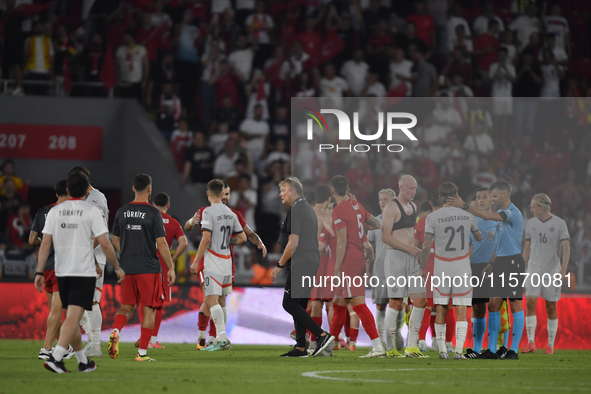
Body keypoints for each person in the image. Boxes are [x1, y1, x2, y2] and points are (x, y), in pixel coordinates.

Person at [35, 172, 123, 373]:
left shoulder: (55, 211)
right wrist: (116, 266)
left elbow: (45, 243)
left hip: (61, 269)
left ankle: (83, 361)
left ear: (67, 190)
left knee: (71, 315)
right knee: (75, 314)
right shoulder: (91, 211)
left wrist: (39, 271)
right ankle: (56, 357)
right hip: (82, 270)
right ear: (86, 191)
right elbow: (104, 243)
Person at [448, 180, 525, 360]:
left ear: (504, 195)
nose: (493, 199)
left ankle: (513, 350)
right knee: (492, 305)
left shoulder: (513, 213)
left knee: (514, 304)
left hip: (513, 262)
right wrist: (491, 264)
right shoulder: (499, 213)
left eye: (495, 196)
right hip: (499, 263)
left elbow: (488, 217)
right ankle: (490, 350)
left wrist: (465, 206)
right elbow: (498, 243)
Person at [186, 183, 267, 348]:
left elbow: (249, 234)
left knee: (216, 300)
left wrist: (259, 242)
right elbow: (188, 227)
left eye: (228, 194)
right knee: (211, 299)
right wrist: (191, 221)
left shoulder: (230, 213)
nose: (225, 197)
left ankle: (214, 338)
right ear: (218, 194)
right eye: (223, 193)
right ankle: (206, 338)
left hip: (218, 260)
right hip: (212, 262)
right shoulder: (205, 211)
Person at [108, 174, 175, 362]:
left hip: (128, 268)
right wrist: (171, 268)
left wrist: (127, 252)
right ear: (150, 189)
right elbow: (161, 243)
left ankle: (115, 330)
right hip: (149, 268)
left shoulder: (122, 211)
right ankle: (142, 354)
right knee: (149, 309)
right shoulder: (154, 213)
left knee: (126, 307)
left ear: (133, 188)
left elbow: (114, 239)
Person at [270, 178, 334, 357]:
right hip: (311, 260)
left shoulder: (297, 209)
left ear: (294, 191)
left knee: (289, 302)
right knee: (299, 303)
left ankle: (321, 335)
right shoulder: (306, 208)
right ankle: (300, 346)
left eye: (283, 190)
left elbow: (294, 242)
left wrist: (278, 265)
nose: (280, 194)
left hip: (302, 261)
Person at [420, 182, 481, 360]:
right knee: (461, 308)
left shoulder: (433, 217)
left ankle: (442, 351)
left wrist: (422, 268)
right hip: (461, 265)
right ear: (457, 195)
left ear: (440, 197)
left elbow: (426, 245)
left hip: (441, 266)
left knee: (441, 307)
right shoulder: (467, 215)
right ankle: (459, 351)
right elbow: (478, 237)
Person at [326, 175, 384, 358]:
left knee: (358, 305)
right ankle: (328, 346)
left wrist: (336, 269)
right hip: (358, 258)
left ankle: (377, 346)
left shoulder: (339, 210)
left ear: (332, 191)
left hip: (348, 262)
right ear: (348, 189)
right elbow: (376, 224)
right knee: (339, 303)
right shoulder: (357, 206)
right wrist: (358, 224)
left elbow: (341, 240)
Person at [188, 180, 245, 351]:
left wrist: (196, 261)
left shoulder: (208, 212)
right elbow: (242, 238)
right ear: (222, 193)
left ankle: (222, 337)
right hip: (227, 261)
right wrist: (228, 241)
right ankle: (219, 337)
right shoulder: (231, 213)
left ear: (208, 193)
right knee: (221, 302)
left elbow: (206, 239)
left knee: (211, 299)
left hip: (213, 261)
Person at [380, 175, 426, 358]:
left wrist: (417, 250)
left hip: (412, 258)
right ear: (401, 187)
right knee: (396, 301)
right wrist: (409, 248)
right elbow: (385, 236)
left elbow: (410, 233)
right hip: (395, 258)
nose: (414, 192)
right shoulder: (391, 206)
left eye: (415, 188)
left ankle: (412, 346)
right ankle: (390, 348)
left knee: (420, 301)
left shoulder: (413, 207)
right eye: (411, 188)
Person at [133, 193, 187, 348]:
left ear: (152, 204)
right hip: (162, 266)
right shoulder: (173, 223)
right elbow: (183, 243)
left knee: (144, 302)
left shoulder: (146, 219)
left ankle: (144, 337)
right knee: (158, 305)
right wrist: (172, 260)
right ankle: (152, 340)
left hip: (143, 263)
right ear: (168, 205)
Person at [67, 167, 109, 358]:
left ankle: (95, 345)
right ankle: (94, 339)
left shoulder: (96, 198)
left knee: (91, 301)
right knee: (79, 302)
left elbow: (100, 229)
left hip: (94, 256)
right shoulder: (84, 200)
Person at [522, 193, 570, 355]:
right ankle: (530, 342)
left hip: (552, 271)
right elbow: (527, 248)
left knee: (550, 306)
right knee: (530, 304)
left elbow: (566, 249)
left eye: (533, 206)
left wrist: (563, 270)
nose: (531, 209)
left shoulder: (559, 223)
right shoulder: (530, 223)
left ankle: (550, 344)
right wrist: (522, 269)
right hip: (534, 269)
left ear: (542, 207)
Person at [30, 179, 73, 361]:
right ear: (70, 192)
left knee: (54, 311)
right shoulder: (73, 212)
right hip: (63, 266)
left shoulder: (44, 211)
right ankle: (47, 349)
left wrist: (48, 241)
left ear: (56, 193)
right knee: (57, 310)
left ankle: (67, 347)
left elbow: (32, 240)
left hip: (46, 267)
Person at [464, 188, 499, 358]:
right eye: (478, 197)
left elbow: (502, 245)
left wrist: (493, 262)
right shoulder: (473, 221)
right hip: (475, 267)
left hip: (494, 267)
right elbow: (471, 246)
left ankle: (493, 348)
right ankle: (477, 348)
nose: (481, 200)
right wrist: (466, 266)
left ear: (492, 200)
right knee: (478, 308)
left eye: (485, 197)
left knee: (493, 306)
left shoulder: (499, 219)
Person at [367, 189, 396, 349]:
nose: (383, 202)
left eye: (386, 199)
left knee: (397, 304)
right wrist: (367, 269)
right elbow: (369, 249)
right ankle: (383, 342)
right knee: (380, 305)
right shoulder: (374, 222)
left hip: (397, 269)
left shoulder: (401, 222)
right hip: (380, 270)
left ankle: (395, 333)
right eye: (380, 199)